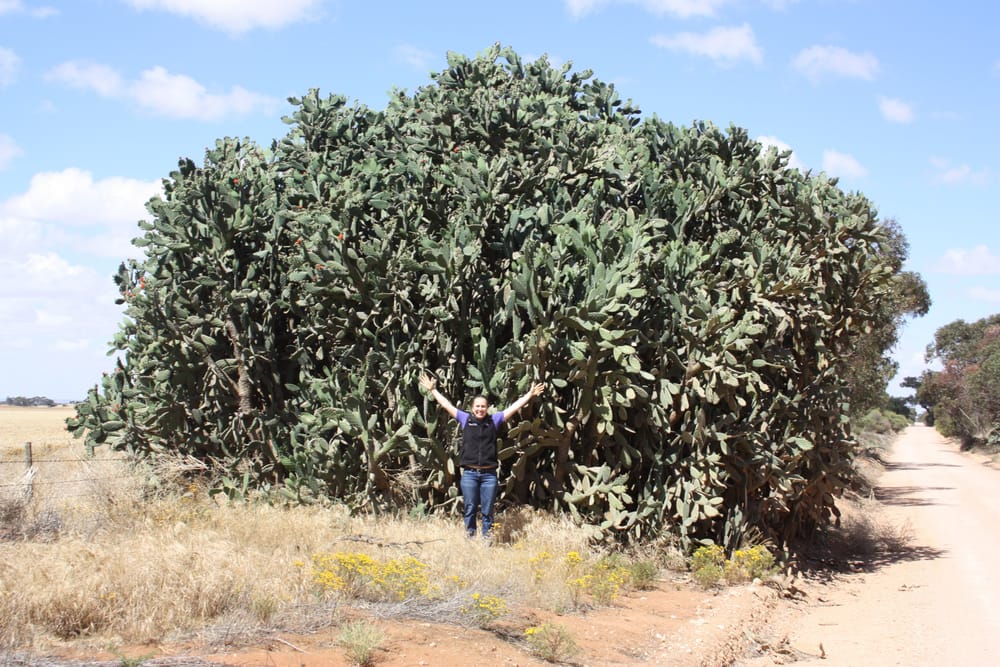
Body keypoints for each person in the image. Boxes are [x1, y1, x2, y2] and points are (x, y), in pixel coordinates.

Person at [419, 371, 545, 539]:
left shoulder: (495, 420)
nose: (480, 409)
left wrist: (529, 394)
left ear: (487, 408)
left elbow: (514, 408)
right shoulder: (465, 419)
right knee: (470, 507)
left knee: (488, 509)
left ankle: (487, 539)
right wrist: (433, 390)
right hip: (470, 473)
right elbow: (447, 405)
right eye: (477, 406)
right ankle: (470, 537)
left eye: (483, 406)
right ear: (472, 408)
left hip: (489, 474)